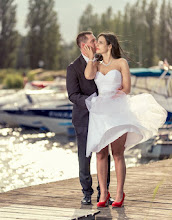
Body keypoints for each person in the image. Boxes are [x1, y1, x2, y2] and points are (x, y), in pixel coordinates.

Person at [83, 32, 167, 208]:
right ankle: (104, 194)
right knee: (100, 153)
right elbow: (88, 76)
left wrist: (116, 94)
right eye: (96, 42)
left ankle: (120, 192)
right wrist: (91, 59)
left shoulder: (121, 63)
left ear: (110, 46)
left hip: (118, 110)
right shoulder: (96, 64)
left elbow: (127, 88)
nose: (96, 45)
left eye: (100, 42)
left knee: (117, 153)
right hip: (100, 111)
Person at [66, 31, 112, 205]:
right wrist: (92, 101)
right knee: (84, 158)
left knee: (104, 156)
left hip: (102, 118)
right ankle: (86, 193)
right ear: (84, 46)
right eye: (93, 41)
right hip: (83, 118)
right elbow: (73, 95)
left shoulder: (102, 62)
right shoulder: (73, 68)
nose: (96, 43)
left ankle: (104, 193)